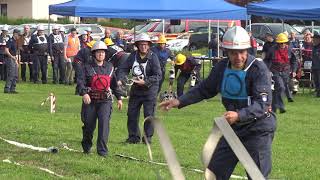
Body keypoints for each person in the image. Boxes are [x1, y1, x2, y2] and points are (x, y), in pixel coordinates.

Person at [159, 26, 276, 179]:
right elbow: (204, 89)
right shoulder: (221, 67)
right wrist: (179, 101)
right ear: (226, 51)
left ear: (247, 50)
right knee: (215, 172)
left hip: (258, 129)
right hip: (233, 129)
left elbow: (263, 104)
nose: (238, 57)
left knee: (256, 175)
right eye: (233, 53)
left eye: (242, 52)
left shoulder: (258, 69)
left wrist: (239, 115)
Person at [77, 41, 123, 157]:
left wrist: (119, 98)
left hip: (105, 101)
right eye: (98, 52)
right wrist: (84, 94)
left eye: (102, 52)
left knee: (104, 124)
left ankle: (102, 151)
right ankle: (86, 147)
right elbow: (80, 82)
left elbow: (114, 84)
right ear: (94, 54)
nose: (100, 54)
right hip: (90, 100)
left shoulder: (110, 67)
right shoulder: (86, 67)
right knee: (89, 125)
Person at [118, 33, 161, 144]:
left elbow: (158, 75)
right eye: (141, 44)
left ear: (149, 45)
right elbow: (123, 69)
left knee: (149, 114)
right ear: (137, 45)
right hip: (136, 89)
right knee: (132, 113)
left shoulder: (153, 57)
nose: (143, 47)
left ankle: (147, 137)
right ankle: (133, 137)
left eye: (146, 45)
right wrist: (121, 79)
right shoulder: (132, 56)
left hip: (150, 90)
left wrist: (145, 82)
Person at [264, 33, 298, 113]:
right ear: (278, 43)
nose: (282, 44)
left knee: (278, 90)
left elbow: (294, 61)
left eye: (284, 43)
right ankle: (281, 107)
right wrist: (267, 70)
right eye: (280, 43)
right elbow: (266, 60)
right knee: (281, 87)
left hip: (286, 71)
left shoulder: (289, 50)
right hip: (275, 71)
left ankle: (274, 107)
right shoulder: (272, 50)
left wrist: (294, 70)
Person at [4, 29, 20, 93]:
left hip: (14, 59)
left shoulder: (15, 41)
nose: (19, 36)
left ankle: (13, 89)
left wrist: (16, 61)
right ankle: (7, 89)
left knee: (15, 74)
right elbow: (6, 50)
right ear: (15, 34)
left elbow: (15, 52)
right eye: (18, 35)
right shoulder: (10, 41)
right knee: (11, 74)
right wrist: (11, 56)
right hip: (10, 59)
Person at [312, 32, 320, 97]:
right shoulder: (314, 47)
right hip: (314, 66)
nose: (314, 40)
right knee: (316, 80)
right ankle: (317, 92)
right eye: (313, 39)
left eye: (315, 39)